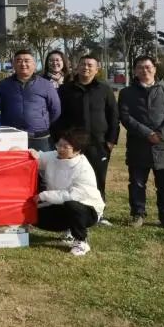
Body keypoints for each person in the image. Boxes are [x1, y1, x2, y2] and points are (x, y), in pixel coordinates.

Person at [52, 54, 119, 225]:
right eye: (83, 64)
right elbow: (58, 117)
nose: (86, 68)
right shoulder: (65, 90)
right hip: (72, 146)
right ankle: (71, 215)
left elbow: (113, 116)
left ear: (97, 69)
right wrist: (59, 140)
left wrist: (111, 141)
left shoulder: (104, 89)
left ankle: (98, 214)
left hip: (98, 144)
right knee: (70, 180)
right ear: (77, 67)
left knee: (97, 179)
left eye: (90, 65)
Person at [118, 55, 164, 229]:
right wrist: (147, 133)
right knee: (137, 184)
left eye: (148, 67)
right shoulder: (126, 93)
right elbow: (125, 117)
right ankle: (137, 214)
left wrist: (160, 134)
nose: (144, 70)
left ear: (154, 69)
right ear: (135, 71)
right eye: (140, 67)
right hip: (138, 145)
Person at [27, 128, 105, 256]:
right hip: (58, 204)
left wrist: (44, 195)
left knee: (72, 205)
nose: (60, 149)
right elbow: (38, 158)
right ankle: (69, 229)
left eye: (65, 147)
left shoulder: (83, 168)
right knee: (30, 215)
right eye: (59, 145)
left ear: (77, 150)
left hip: (87, 209)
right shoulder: (53, 156)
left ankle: (81, 241)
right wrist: (28, 152)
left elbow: (73, 195)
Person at [0, 50, 61, 152]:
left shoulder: (46, 85)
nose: (23, 64)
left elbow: (55, 109)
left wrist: (42, 122)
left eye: (27, 61)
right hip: (12, 137)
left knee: (41, 162)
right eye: (19, 61)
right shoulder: (3, 85)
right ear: (13, 64)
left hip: (39, 137)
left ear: (34, 64)